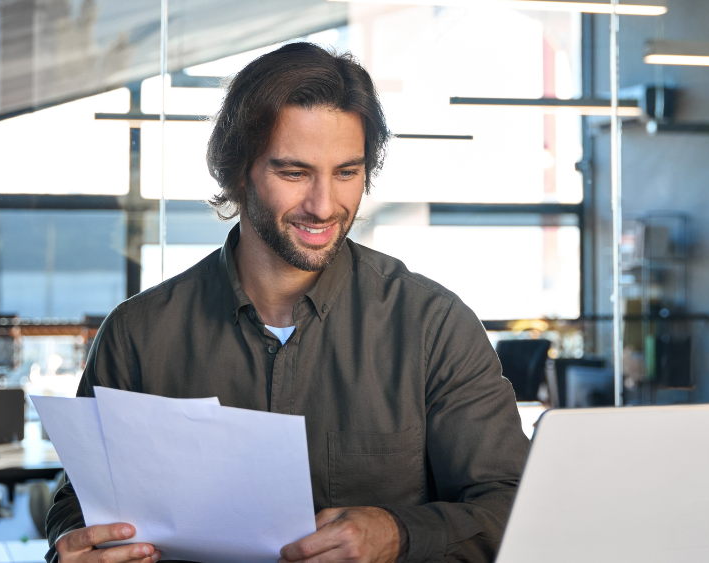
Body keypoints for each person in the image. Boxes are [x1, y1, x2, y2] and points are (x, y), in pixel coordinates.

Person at [45, 42, 529, 563]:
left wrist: (399, 533)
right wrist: (77, 546)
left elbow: (516, 508)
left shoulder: (434, 326)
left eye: (347, 172)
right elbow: (81, 501)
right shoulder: (138, 335)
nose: (325, 205)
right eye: (294, 173)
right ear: (237, 171)